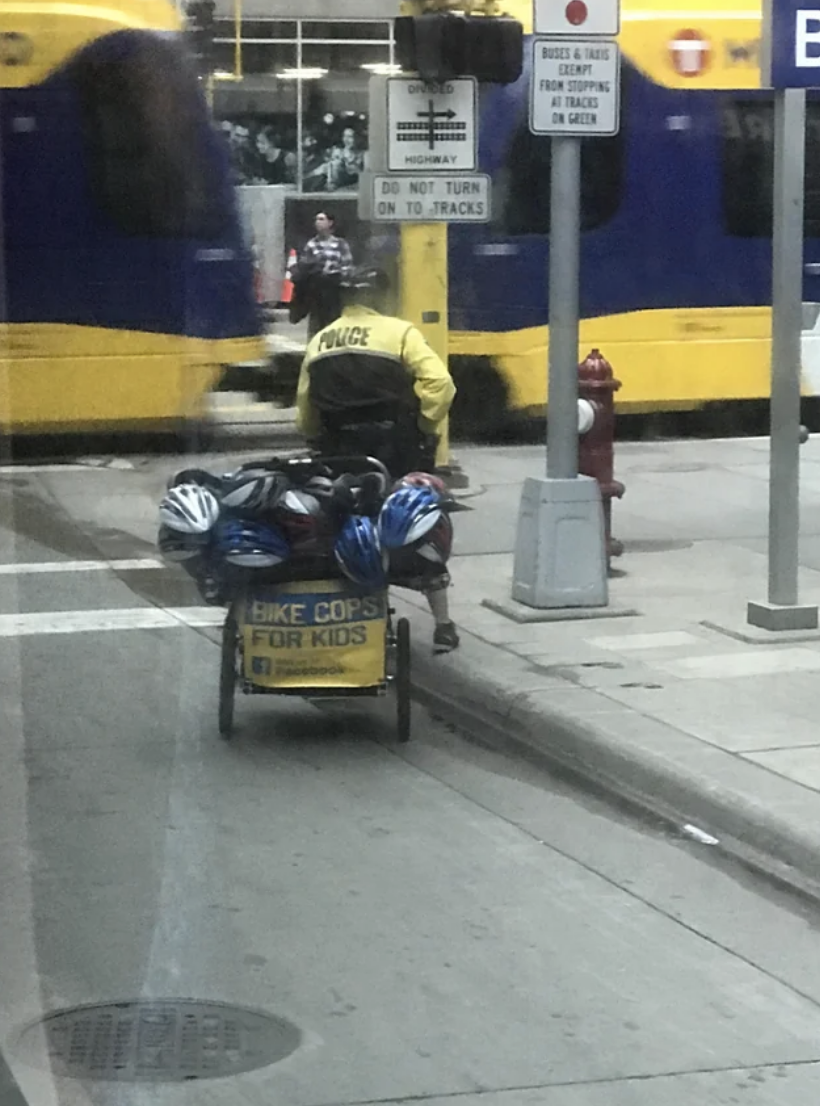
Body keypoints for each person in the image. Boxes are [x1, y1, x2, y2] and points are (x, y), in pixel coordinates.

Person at [295, 264, 460, 652]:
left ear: (346, 301)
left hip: (341, 459)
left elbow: (305, 412)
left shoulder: (320, 341)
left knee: (338, 527)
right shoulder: (399, 332)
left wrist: (321, 438)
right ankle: (443, 625)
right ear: (380, 300)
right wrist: (421, 423)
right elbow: (441, 384)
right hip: (396, 452)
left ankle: (355, 616)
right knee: (419, 525)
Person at [290, 212, 353, 338]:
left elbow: (347, 266)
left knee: (334, 321)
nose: (317, 222)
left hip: (334, 289)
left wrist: (341, 278)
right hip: (317, 289)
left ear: (330, 223)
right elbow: (304, 265)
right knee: (316, 322)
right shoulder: (311, 244)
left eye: (321, 219)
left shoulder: (340, 244)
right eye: (316, 219)